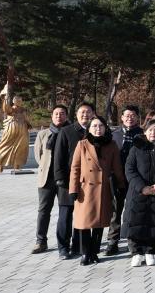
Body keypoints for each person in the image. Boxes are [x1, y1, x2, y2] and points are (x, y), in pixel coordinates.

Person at [69, 116, 126, 265]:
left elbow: (117, 167)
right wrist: (73, 189)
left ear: (105, 128)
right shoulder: (82, 144)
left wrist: (121, 185)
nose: (98, 129)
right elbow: (75, 168)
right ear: (89, 129)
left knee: (99, 223)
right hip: (85, 189)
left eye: (101, 126)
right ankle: (85, 253)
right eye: (94, 126)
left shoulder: (112, 145)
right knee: (84, 223)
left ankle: (94, 252)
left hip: (103, 188)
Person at [121, 119, 155, 267]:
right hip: (138, 192)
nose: (153, 133)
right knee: (135, 222)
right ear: (145, 131)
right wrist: (142, 187)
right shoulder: (136, 147)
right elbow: (129, 169)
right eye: (150, 130)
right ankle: (136, 252)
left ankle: (150, 251)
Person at [53, 102, 95, 259]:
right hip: (67, 181)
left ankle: (78, 245)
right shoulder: (67, 131)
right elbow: (59, 157)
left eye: (88, 112)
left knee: (82, 215)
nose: (85, 115)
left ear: (93, 114)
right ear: (76, 114)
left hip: (87, 183)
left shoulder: (95, 130)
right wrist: (60, 179)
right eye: (82, 112)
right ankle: (63, 247)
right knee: (65, 215)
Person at [31, 105, 69, 254]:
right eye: (56, 114)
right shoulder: (43, 134)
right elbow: (38, 155)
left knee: (65, 211)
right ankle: (41, 241)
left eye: (62, 113)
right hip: (46, 178)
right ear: (52, 116)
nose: (59, 116)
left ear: (66, 116)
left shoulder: (70, 132)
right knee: (43, 210)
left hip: (64, 179)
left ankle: (64, 241)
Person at [106, 105, 142, 255]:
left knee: (133, 210)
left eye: (133, 115)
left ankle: (133, 242)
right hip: (117, 178)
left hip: (135, 178)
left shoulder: (142, 134)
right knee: (116, 210)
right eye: (127, 115)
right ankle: (112, 241)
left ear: (137, 117)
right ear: (121, 117)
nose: (129, 118)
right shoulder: (114, 135)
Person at [0, 84, 30, 172]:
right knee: (5, 146)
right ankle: (0, 164)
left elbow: (26, 119)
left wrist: (28, 124)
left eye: (20, 100)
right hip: (11, 131)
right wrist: (5, 98)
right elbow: (6, 109)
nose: (19, 102)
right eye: (18, 100)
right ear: (14, 101)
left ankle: (17, 165)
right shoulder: (12, 109)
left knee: (20, 147)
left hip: (22, 132)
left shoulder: (23, 110)